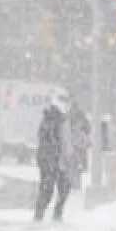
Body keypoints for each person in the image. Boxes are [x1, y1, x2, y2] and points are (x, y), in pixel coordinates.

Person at [34, 89, 74, 221]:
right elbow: (53, 140)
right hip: (52, 159)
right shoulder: (53, 119)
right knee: (50, 188)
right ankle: (41, 215)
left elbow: (63, 140)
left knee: (62, 187)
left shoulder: (59, 119)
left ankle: (52, 214)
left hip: (54, 159)